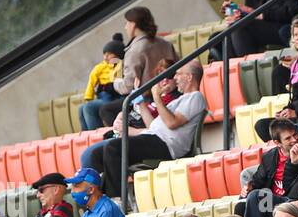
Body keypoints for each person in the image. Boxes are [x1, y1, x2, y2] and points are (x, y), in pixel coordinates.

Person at [85, 60, 207, 197]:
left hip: (165, 145)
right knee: (97, 154)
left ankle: (116, 199)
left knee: (113, 148)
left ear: (189, 77)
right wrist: (140, 102)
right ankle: (102, 200)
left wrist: (156, 97)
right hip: (153, 138)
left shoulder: (195, 97)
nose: (175, 78)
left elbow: (172, 123)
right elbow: (153, 126)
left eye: (178, 74)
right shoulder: (181, 99)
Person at [105, 6, 179, 126]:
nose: (125, 27)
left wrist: (114, 84)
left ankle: (119, 136)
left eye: (126, 23)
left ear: (133, 24)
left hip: (146, 101)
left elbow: (128, 87)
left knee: (102, 109)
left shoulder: (135, 50)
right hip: (171, 95)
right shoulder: (165, 43)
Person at [243, 122, 298, 217]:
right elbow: (258, 180)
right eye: (288, 138)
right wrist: (249, 187)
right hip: (273, 203)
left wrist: (294, 163)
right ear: (277, 143)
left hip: (291, 201)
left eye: (294, 135)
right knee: (241, 205)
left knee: (255, 197)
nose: (294, 140)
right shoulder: (269, 157)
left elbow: (292, 189)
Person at [78, 34, 126, 131]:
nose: (106, 57)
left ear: (117, 54)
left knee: (89, 107)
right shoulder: (101, 67)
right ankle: (87, 135)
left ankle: (97, 135)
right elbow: (92, 81)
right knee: (81, 108)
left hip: (116, 97)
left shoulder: (121, 65)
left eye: (109, 54)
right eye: (104, 54)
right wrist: (89, 96)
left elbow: (118, 82)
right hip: (105, 96)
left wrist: (106, 86)